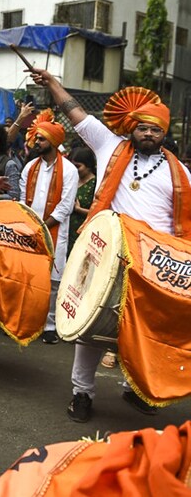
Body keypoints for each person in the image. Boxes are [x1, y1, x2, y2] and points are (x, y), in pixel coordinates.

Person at [31, 68, 191, 422]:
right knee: (91, 327)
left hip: (153, 267)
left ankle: (137, 390)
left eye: (155, 129)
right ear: (132, 128)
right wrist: (54, 84)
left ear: (164, 134)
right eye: (143, 127)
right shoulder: (109, 146)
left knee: (142, 330)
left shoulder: (181, 173)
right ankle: (81, 393)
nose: (148, 134)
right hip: (107, 255)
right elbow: (77, 113)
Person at [18, 109, 79, 344]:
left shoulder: (70, 171)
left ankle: (51, 325)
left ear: (52, 141)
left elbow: (65, 207)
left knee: (54, 281)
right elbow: (23, 200)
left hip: (54, 232)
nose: (36, 142)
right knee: (30, 277)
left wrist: (43, 226)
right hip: (30, 229)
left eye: (41, 139)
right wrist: (29, 224)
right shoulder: (30, 167)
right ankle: (30, 321)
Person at [67, 146, 96, 253]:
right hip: (65, 232)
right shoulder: (70, 180)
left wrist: (78, 209)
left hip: (84, 234)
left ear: (89, 166)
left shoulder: (96, 185)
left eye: (78, 166)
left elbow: (100, 213)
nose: (74, 170)